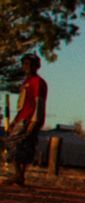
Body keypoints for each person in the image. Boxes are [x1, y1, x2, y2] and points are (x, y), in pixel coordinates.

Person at [6, 53, 47, 187]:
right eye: (24, 64)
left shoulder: (38, 82)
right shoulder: (26, 82)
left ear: (37, 66)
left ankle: (18, 174)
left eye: (29, 64)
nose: (26, 67)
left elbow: (38, 102)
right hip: (22, 117)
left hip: (29, 119)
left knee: (17, 144)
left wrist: (35, 121)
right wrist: (14, 120)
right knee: (22, 146)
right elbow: (22, 104)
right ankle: (20, 176)